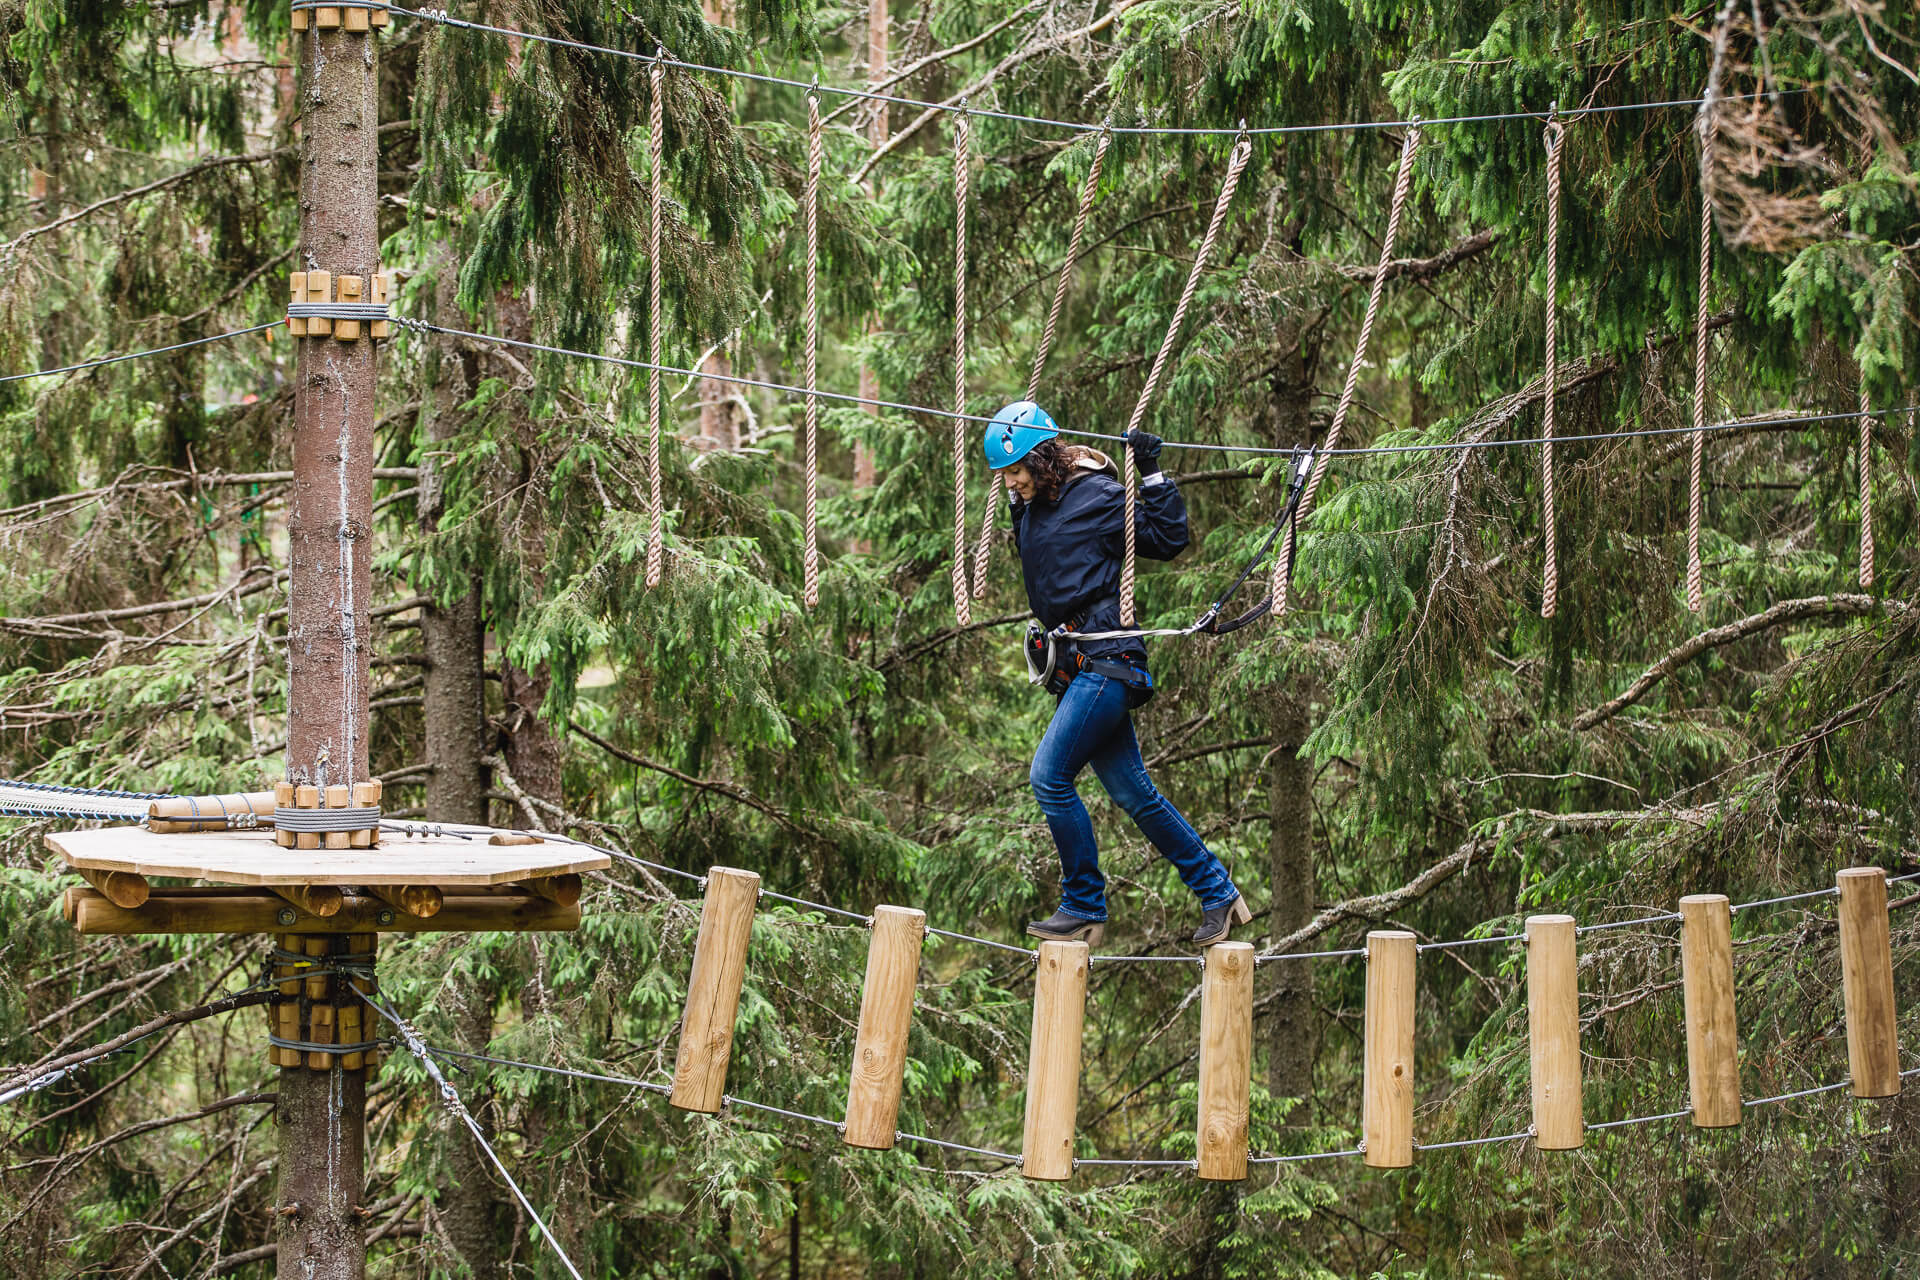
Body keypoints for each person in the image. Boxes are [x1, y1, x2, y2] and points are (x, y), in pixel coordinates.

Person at [984, 400, 1253, 948]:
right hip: (1082, 663)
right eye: (1005, 476)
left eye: (1016, 471)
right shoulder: (1032, 502)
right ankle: (1218, 892)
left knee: (1049, 776)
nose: (1010, 484)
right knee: (1135, 793)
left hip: (1108, 662)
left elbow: (1167, 538)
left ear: (1042, 459)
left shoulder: (1096, 497)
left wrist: (1151, 472)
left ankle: (1083, 902)